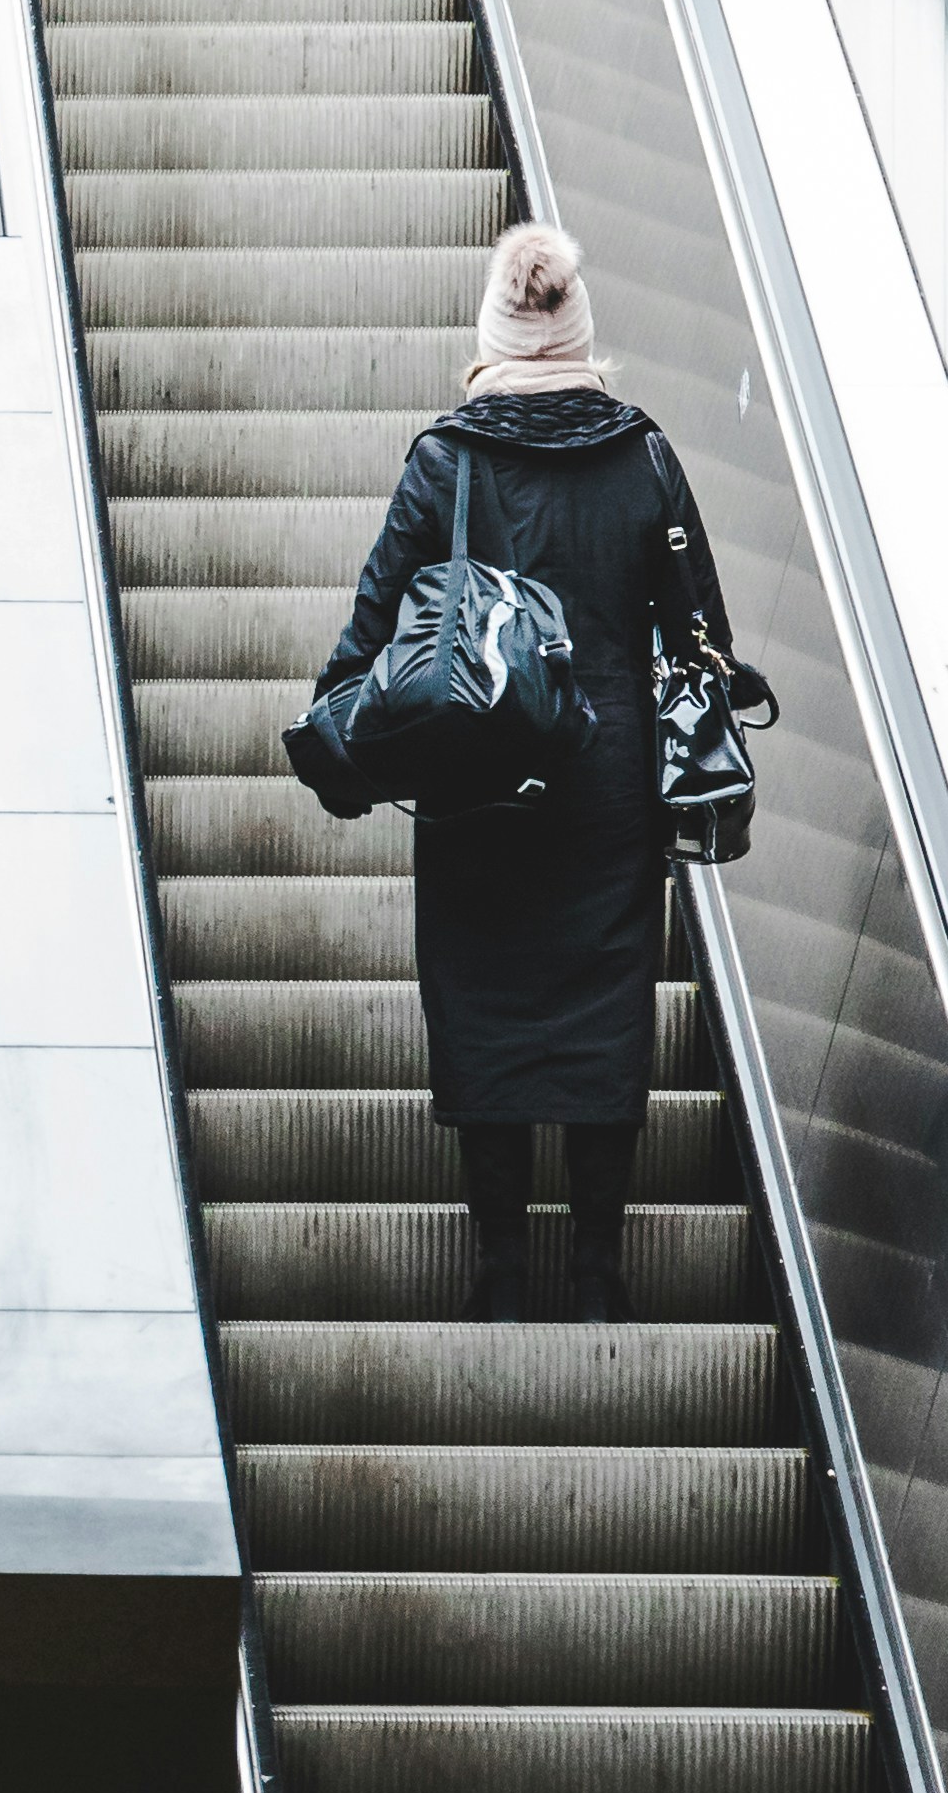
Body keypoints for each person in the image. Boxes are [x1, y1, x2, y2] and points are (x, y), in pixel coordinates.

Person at [303, 221, 737, 1322]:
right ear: (579, 336)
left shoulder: (444, 463)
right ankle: (596, 1276)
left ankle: (498, 1275)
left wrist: (347, 740)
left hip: (474, 794)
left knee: (485, 1011)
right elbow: (700, 640)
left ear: (491, 339)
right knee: (602, 1019)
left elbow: (367, 642)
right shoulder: (642, 457)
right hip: (607, 797)